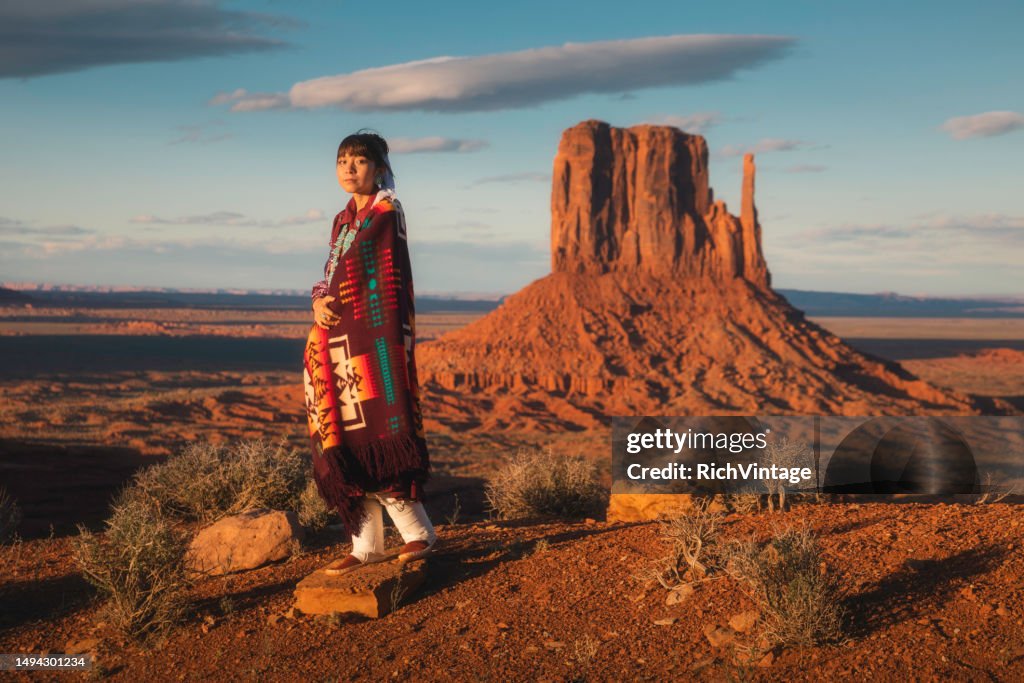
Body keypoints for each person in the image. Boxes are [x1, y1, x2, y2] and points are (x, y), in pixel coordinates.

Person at [303, 130, 436, 575]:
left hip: (373, 342)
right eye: (342, 160)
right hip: (337, 344)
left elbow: (362, 272)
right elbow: (330, 272)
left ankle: (419, 533)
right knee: (345, 436)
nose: (349, 168)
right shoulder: (343, 219)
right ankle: (365, 545)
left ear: (379, 169)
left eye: (359, 161)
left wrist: (332, 298)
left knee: (381, 428)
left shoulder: (385, 213)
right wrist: (318, 301)